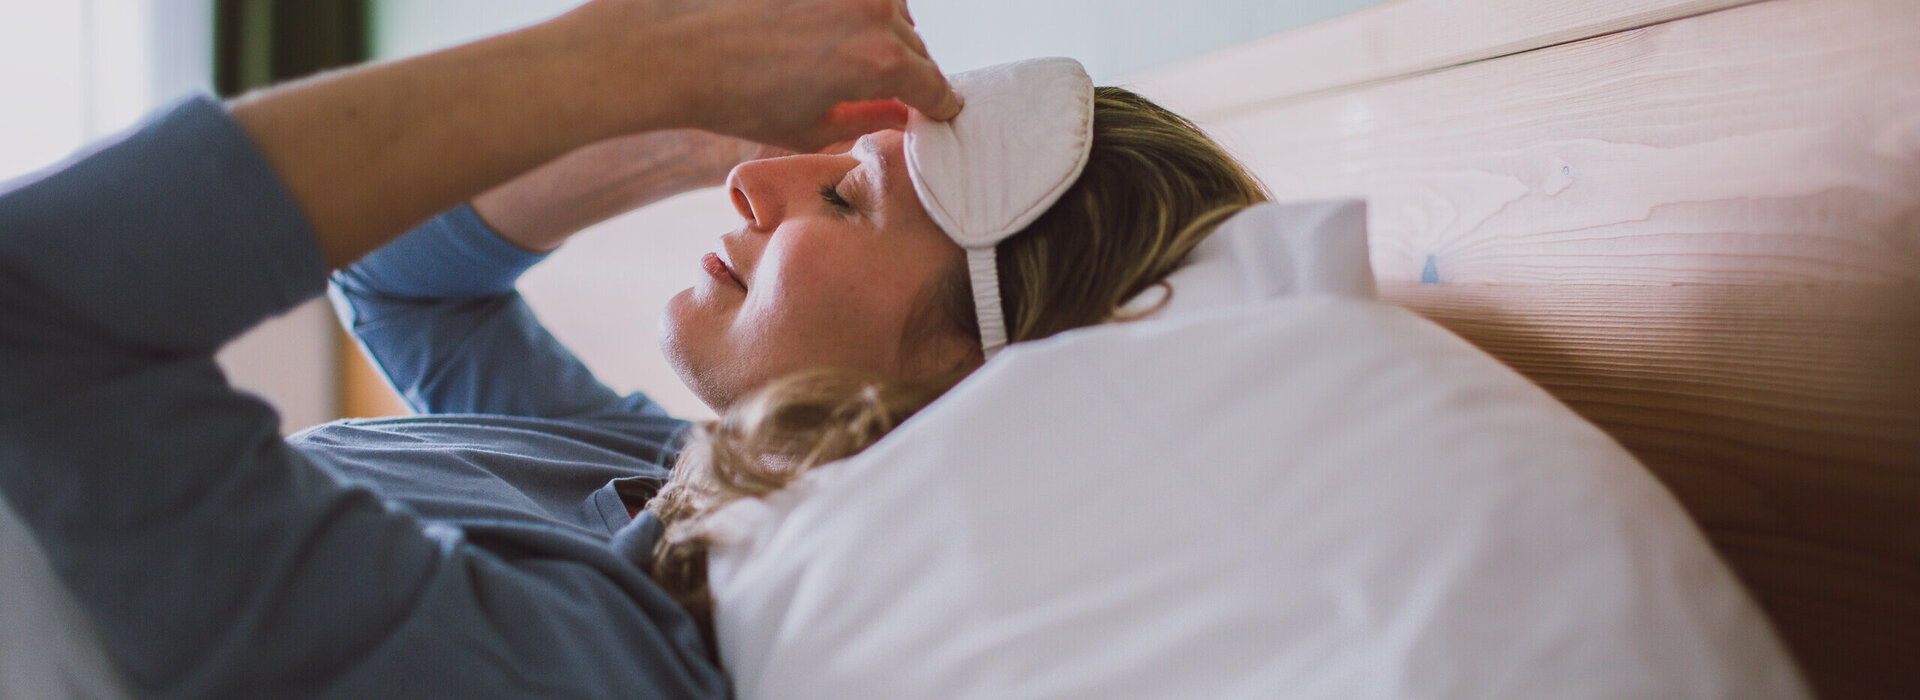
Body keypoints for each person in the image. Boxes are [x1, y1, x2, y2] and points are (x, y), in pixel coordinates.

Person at [0, 0, 958, 696]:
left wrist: (638, 59)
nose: (750, 181)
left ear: (963, 377)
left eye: (844, 198)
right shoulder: (665, 477)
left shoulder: (598, 664)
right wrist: (682, 134)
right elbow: (404, 284)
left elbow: (33, 301)